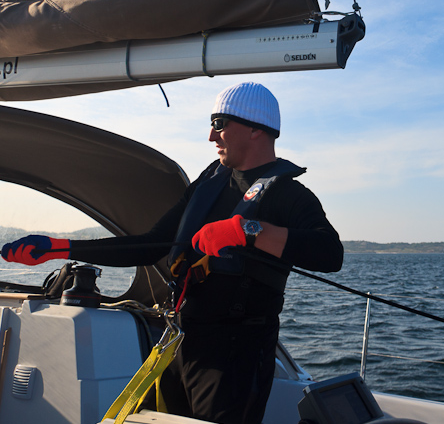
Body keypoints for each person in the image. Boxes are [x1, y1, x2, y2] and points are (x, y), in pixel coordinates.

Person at [2, 81, 344, 424]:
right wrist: (60, 248)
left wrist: (248, 230)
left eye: (220, 123)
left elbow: (330, 253)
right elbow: (151, 244)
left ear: (255, 129)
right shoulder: (208, 184)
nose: (212, 136)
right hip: (180, 343)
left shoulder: (288, 194)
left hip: (236, 355)